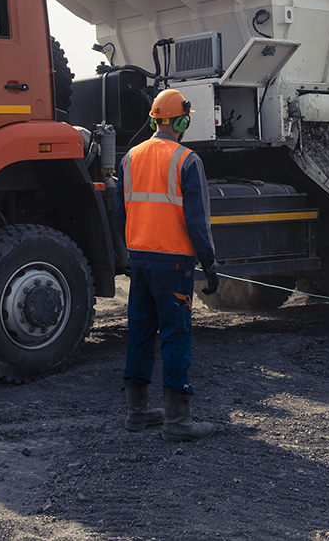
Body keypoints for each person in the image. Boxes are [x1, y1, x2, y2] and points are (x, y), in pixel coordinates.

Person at [116, 88, 220, 442]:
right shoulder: (187, 160)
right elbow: (196, 221)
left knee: (141, 332)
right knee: (175, 336)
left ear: (153, 120)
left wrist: (133, 250)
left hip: (140, 258)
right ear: (181, 121)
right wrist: (210, 263)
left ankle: (137, 413)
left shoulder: (130, 157)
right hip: (173, 263)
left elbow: (121, 213)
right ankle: (178, 422)